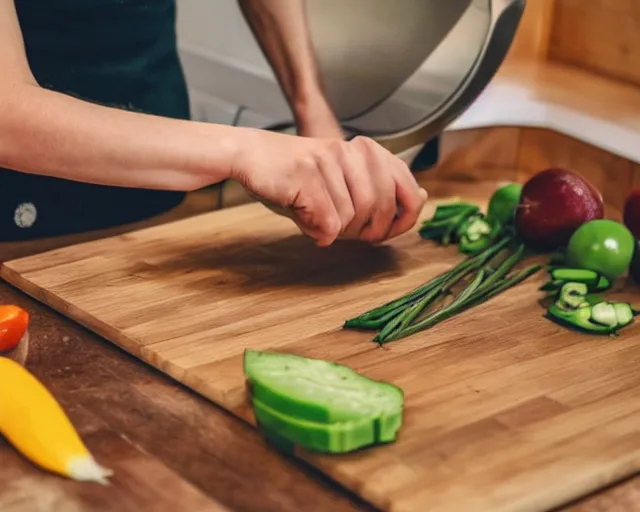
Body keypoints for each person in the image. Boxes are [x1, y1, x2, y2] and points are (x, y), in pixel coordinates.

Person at [0, 0, 427, 247]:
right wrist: (243, 151)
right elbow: (8, 112)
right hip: (18, 227)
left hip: (155, 200)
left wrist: (312, 107)